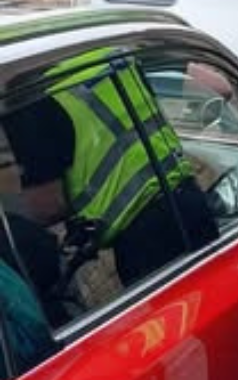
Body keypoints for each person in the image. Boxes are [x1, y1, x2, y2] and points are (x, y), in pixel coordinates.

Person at [1, 50, 218, 289]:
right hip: (191, 203)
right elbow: (220, 88)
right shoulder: (107, 54)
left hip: (145, 240)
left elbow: (48, 205)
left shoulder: (29, 99)